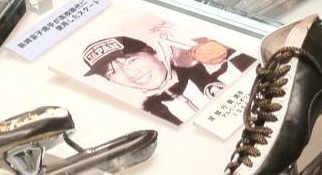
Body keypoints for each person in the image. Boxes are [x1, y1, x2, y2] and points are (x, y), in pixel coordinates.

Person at [82, 35, 249, 126]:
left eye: (132, 60)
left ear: (153, 53)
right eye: (112, 72)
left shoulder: (215, 61)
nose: (130, 73)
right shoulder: (153, 115)